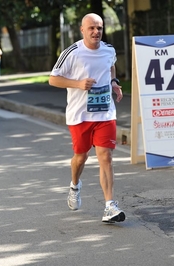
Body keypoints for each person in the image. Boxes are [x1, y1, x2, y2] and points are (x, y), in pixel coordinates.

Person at [48, 13, 125, 223]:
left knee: (106, 157)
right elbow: (53, 79)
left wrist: (114, 83)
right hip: (80, 115)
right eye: (91, 28)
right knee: (81, 157)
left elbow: (110, 66)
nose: (96, 32)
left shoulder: (109, 50)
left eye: (99, 28)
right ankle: (75, 185)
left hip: (105, 112)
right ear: (82, 30)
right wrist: (78, 84)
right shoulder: (72, 52)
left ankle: (110, 206)